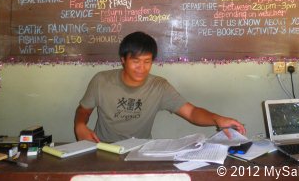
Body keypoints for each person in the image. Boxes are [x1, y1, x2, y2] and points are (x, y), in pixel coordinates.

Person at [74, 31, 245, 143]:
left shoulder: (159, 86)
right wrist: (80, 126)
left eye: (147, 62)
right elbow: (84, 110)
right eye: (136, 62)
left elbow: (192, 113)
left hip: (139, 151)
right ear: (123, 59)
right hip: (102, 149)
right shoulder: (101, 80)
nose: (142, 68)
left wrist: (217, 119)